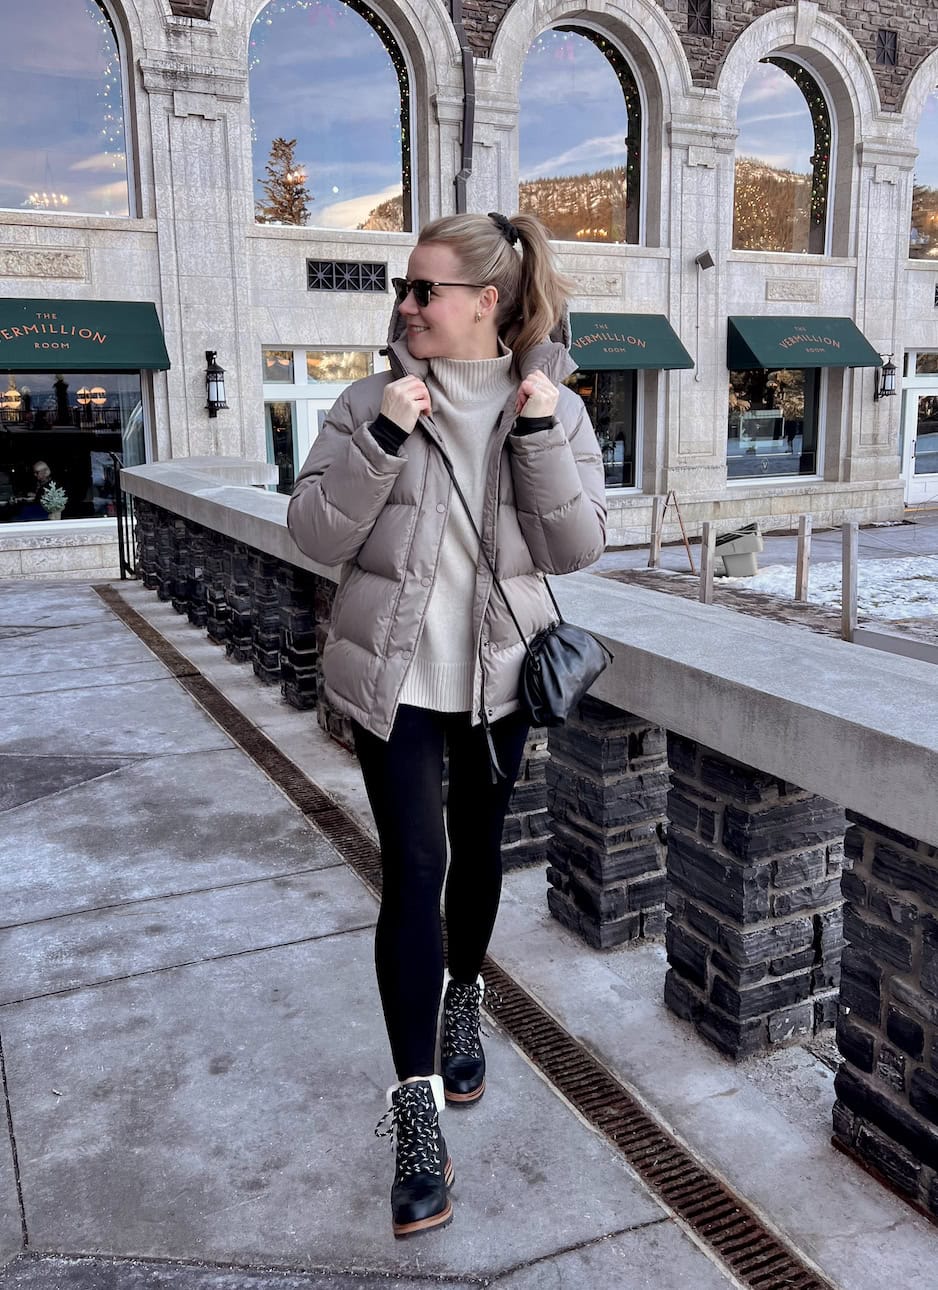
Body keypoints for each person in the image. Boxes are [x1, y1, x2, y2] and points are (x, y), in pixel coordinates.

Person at [286, 211, 606, 1237]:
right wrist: (383, 434)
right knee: (414, 874)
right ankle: (417, 1112)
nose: (406, 305)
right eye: (403, 288)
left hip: (498, 683)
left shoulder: (546, 408)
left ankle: (465, 991)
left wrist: (542, 430)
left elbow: (576, 547)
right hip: (394, 686)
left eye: (424, 290)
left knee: (477, 863)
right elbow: (311, 532)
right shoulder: (366, 402)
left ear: (486, 304)